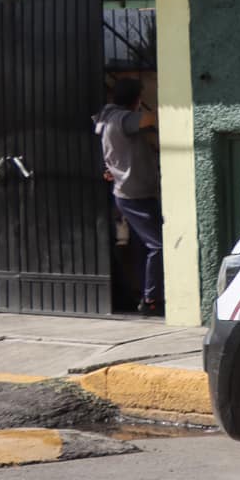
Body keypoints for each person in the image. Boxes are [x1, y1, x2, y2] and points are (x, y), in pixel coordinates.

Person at [95, 77, 163, 316]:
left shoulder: (106, 117)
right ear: (136, 99)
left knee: (144, 246)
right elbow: (151, 119)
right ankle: (151, 299)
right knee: (158, 245)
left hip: (128, 192)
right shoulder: (122, 119)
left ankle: (143, 292)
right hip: (135, 194)